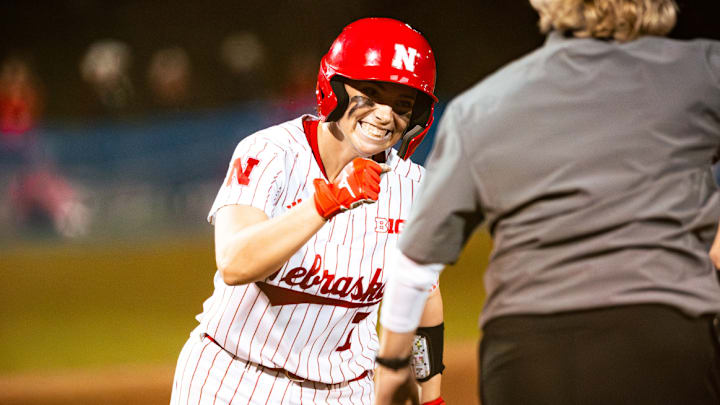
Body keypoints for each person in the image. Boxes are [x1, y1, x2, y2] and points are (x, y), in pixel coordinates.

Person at [373, 1, 720, 404]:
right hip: (665, 338)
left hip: (529, 353)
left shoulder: (482, 105)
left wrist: (395, 367)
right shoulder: (703, 70)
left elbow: (415, 264)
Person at [171, 18, 446, 405]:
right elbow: (234, 262)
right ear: (333, 87)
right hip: (232, 379)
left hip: (344, 393)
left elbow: (423, 299)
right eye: (370, 93)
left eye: (403, 105)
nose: (386, 116)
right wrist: (328, 200)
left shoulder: (412, 187)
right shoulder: (270, 154)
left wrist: (431, 398)